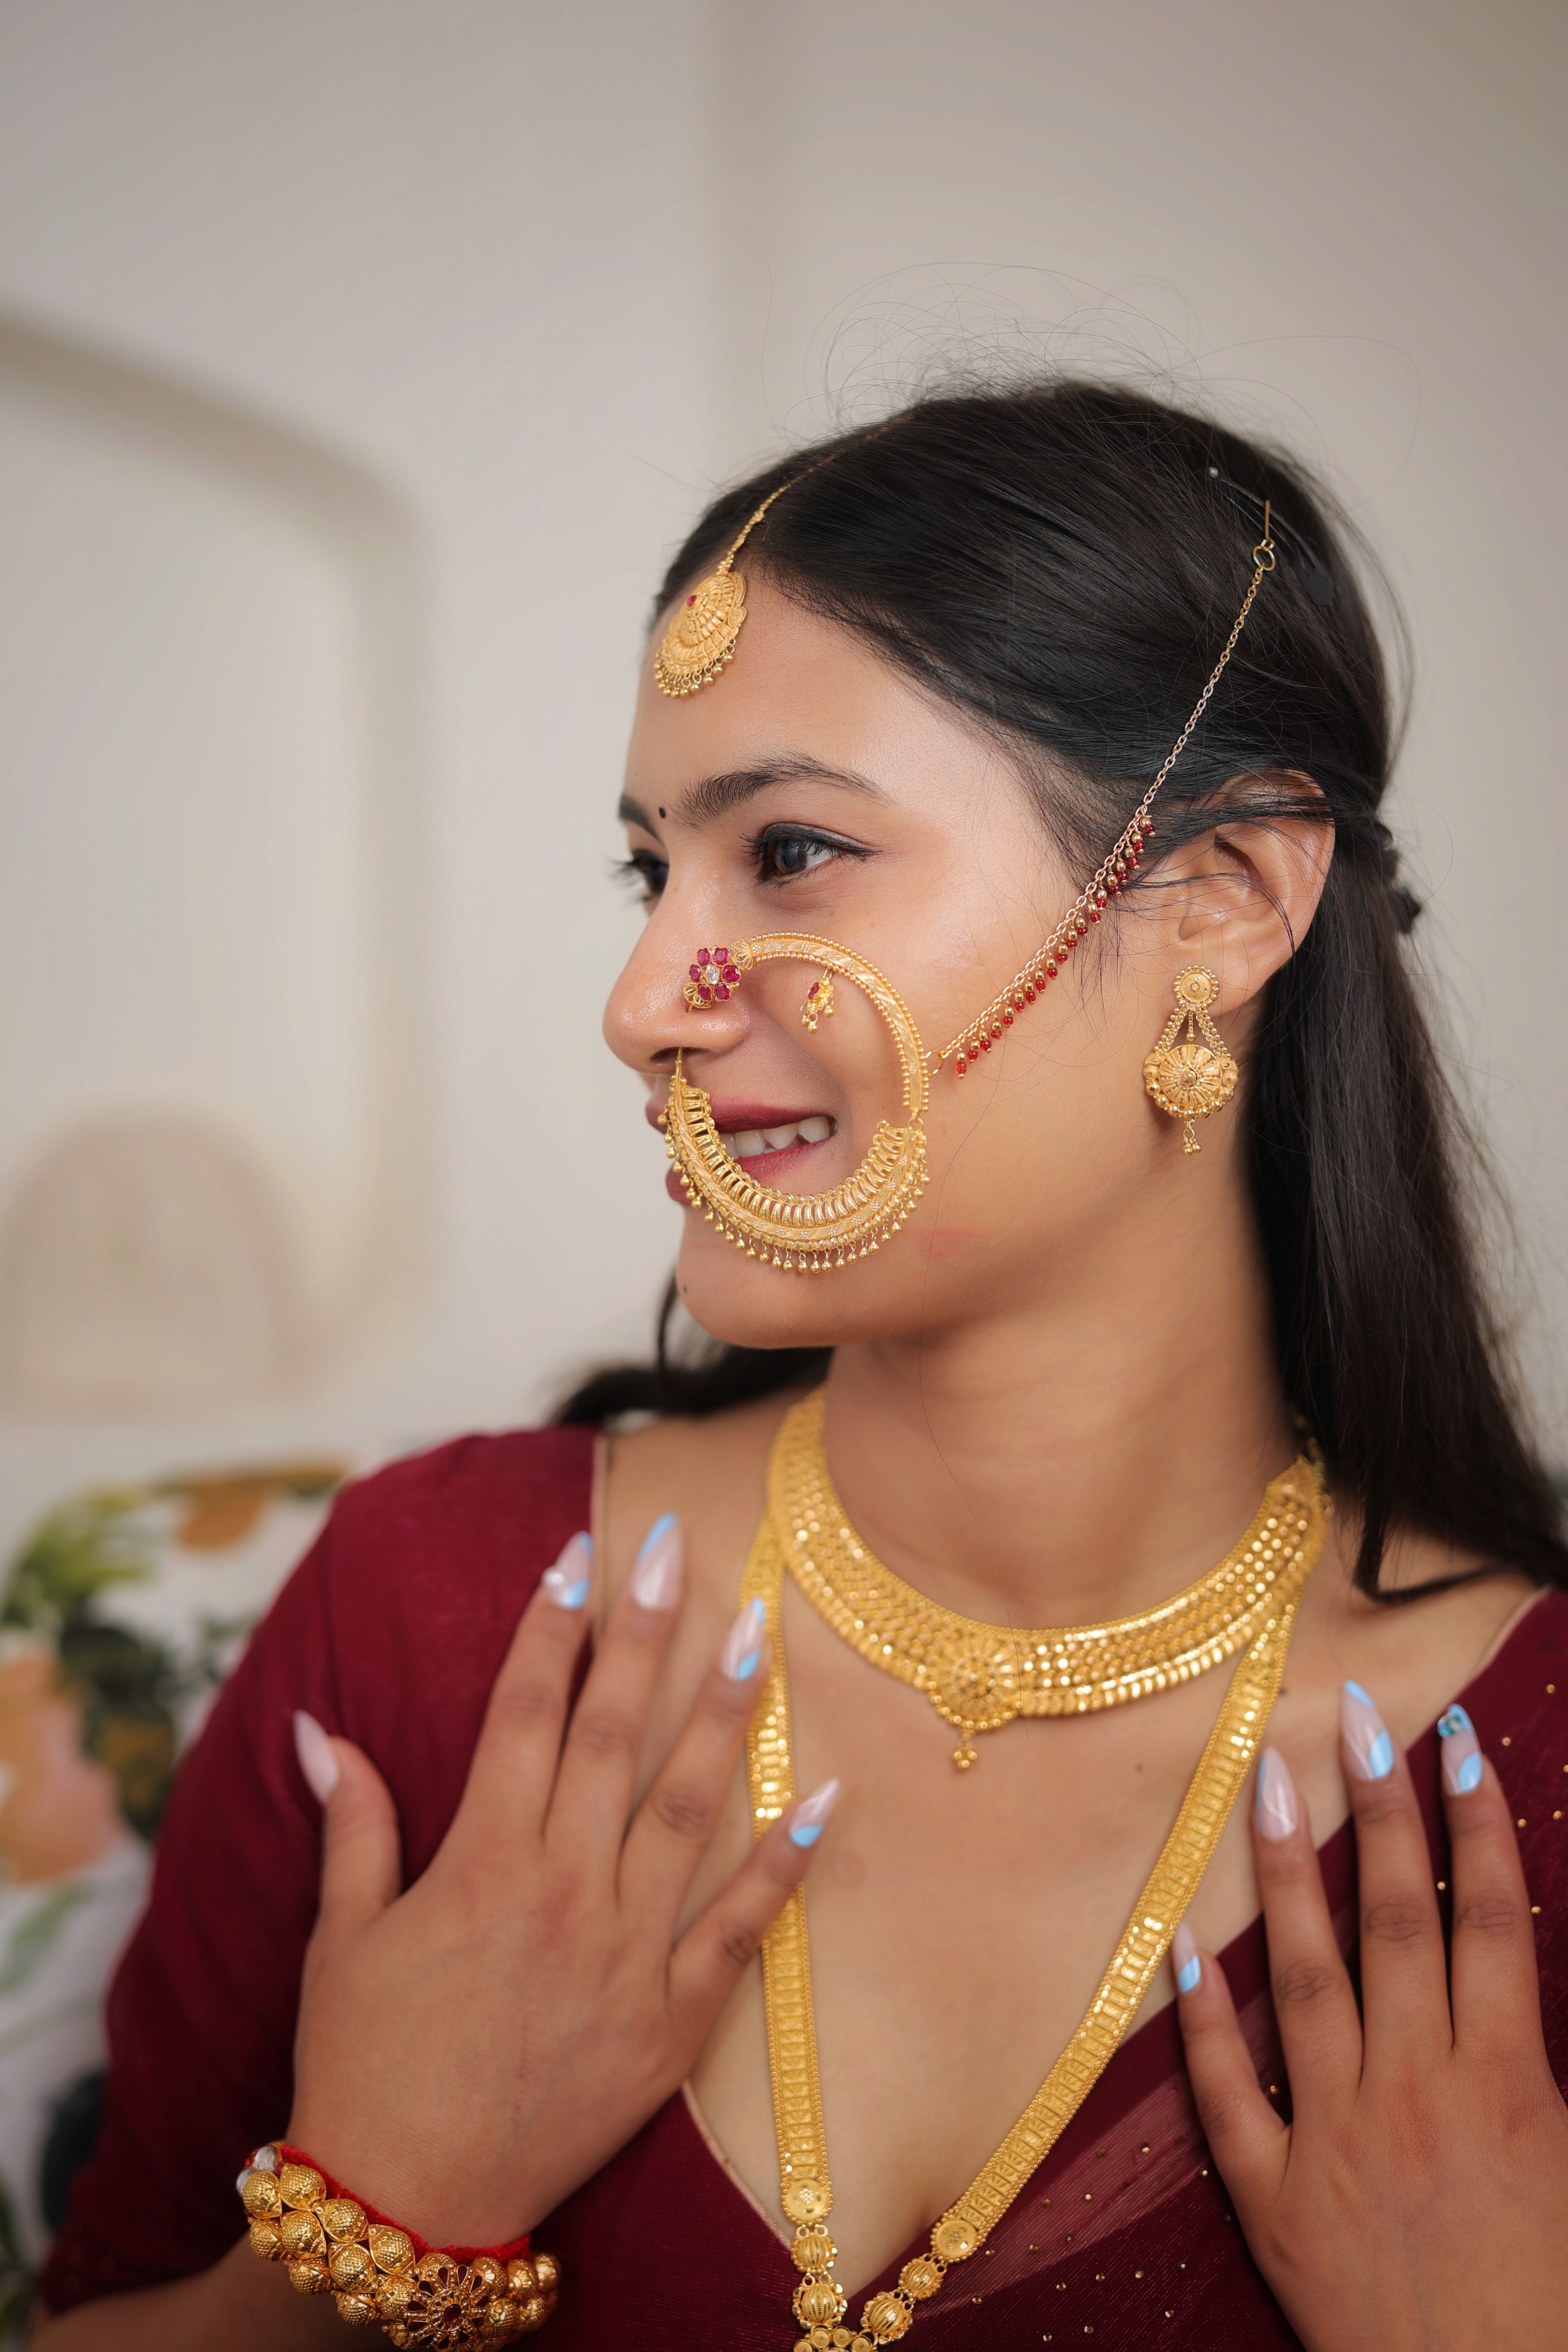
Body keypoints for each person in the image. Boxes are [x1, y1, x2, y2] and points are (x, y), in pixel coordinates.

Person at [31, 382, 1568, 2351]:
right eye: (648, 873)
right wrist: (370, 2222)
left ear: (1223, 901)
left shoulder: (1515, 1788)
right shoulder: (442, 1630)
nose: (639, 1006)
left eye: (793, 851)